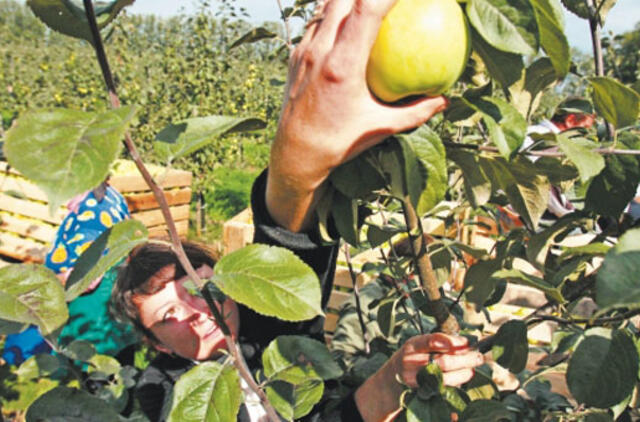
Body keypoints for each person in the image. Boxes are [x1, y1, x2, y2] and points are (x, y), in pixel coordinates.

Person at [111, 0, 483, 420]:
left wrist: (395, 375)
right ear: (158, 345)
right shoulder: (161, 395)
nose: (199, 312)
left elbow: (291, 248)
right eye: (169, 315)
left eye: (201, 286)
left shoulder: (269, 333)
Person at [2, 183, 137, 365]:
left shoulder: (91, 215)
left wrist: (29, 290)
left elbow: (83, 278)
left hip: (83, 320)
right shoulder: (110, 195)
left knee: (44, 370)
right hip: (112, 319)